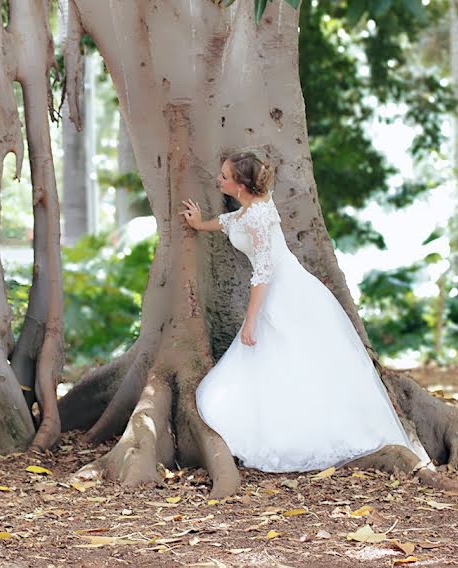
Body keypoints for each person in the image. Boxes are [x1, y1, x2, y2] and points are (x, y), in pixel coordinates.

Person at [180, 151, 426, 473]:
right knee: (275, 361)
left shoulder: (258, 216)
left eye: (224, 176)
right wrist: (200, 224)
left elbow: (263, 272)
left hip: (285, 291)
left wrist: (250, 320)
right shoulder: (250, 209)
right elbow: (228, 223)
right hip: (275, 289)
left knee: (295, 357)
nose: (218, 180)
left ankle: (308, 432)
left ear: (240, 186)